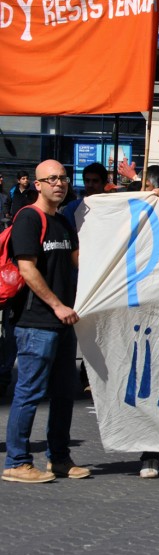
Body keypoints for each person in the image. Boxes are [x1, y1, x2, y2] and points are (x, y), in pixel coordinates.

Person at [2, 161, 88, 483]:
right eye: (51, 179)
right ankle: (16, 461)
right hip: (36, 322)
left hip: (64, 322)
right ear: (37, 184)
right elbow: (27, 269)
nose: (59, 184)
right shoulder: (29, 218)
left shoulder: (63, 223)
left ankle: (60, 458)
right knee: (28, 392)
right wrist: (56, 306)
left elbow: (77, 261)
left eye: (63, 178)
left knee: (64, 393)